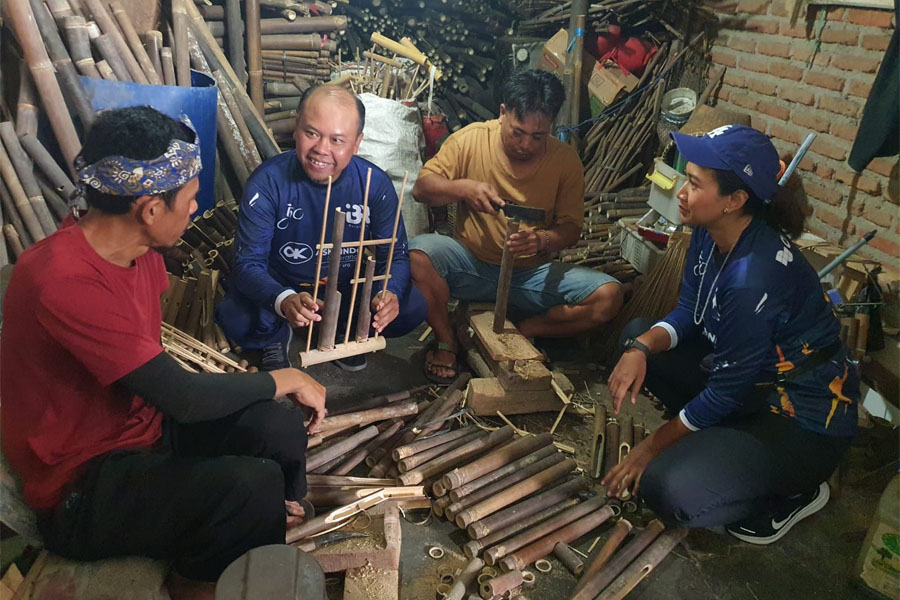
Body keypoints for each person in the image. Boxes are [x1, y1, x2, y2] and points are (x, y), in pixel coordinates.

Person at [0, 107, 327, 599]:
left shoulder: (141, 254)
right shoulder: (60, 279)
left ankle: (257, 523)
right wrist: (289, 377)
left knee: (276, 427)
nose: (195, 210)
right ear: (151, 209)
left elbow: (162, 389)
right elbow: (185, 398)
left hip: (143, 430)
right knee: (248, 487)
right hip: (80, 484)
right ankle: (195, 584)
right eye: (191, 201)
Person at [603, 124, 858, 545]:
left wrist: (652, 447)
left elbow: (726, 391)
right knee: (636, 335)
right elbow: (690, 309)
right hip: (749, 381)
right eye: (687, 179)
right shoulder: (708, 233)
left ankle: (794, 493)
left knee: (666, 489)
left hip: (797, 419)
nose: (682, 192)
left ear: (735, 200)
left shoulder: (752, 276)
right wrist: (640, 347)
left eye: (694, 184)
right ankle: (714, 444)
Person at [410, 69, 623, 383]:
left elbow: (570, 229)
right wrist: (464, 189)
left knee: (610, 296)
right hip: (471, 266)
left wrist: (542, 241)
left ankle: (527, 330)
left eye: (538, 136)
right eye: (518, 132)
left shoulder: (565, 161)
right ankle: (446, 340)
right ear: (502, 114)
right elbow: (421, 188)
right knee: (418, 255)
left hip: (530, 275)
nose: (526, 144)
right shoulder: (471, 139)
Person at [215, 85, 427, 372]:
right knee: (235, 317)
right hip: (285, 283)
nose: (321, 150)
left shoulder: (374, 185)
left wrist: (389, 292)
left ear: (357, 143)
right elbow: (247, 263)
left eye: (337, 140)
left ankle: (347, 329)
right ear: (296, 128)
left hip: (347, 289)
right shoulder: (267, 183)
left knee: (411, 306)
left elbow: (396, 256)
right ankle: (275, 335)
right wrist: (283, 299)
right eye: (311, 133)